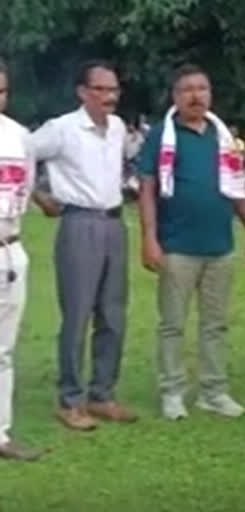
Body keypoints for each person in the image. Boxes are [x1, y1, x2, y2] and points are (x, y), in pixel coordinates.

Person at [137, 64, 245, 420]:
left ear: (210, 94)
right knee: (173, 324)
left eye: (202, 88)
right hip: (177, 246)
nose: (196, 95)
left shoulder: (222, 138)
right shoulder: (162, 134)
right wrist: (149, 237)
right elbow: (147, 188)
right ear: (175, 97)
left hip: (219, 246)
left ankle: (214, 391)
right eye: (187, 89)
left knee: (215, 324)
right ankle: (172, 391)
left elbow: (237, 189)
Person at [32, 60, 136, 430]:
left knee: (113, 313)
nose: (109, 97)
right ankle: (70, 399)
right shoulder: (61, 129)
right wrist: (38, 195)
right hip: (78, 222)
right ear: (82, 92)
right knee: (77, 314)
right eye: (101, 90)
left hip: (113, 222)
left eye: (113, 90)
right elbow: (21, 152)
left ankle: (102, 394)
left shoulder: (118, 128)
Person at [0, 58, 44, 461]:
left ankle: (1, 433)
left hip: (11, 249)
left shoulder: (19, 137)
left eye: (2, 91)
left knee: (4, 350)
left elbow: (24, 190)